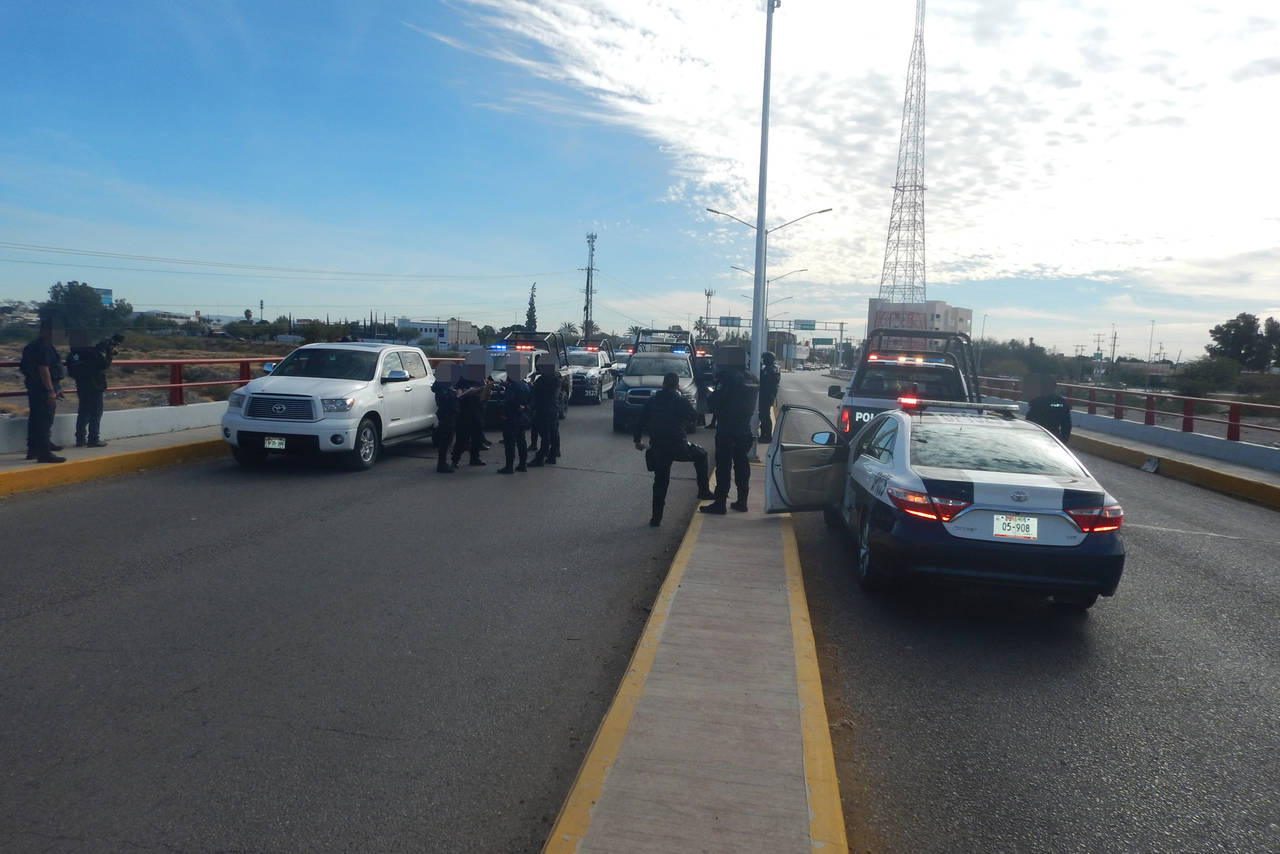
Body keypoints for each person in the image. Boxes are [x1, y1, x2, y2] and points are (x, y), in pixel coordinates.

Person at [634, 372, 713, 526]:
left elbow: (640, 422)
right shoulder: (680, 400)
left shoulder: (652, 401)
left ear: (663, 384)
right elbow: (694, 416)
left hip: (658, 447)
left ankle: (656, 519)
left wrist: (637, 440)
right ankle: (703, 490)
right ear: (677, 386)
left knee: (660, 482)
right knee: (701, 455)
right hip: (678, 446)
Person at [700, 347, 759, 514]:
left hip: (727, 427)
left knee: (723, 466)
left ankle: (720, 503)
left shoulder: (728, 378)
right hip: (744, 427)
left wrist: (710, 394)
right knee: (742, 464)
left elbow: (715, 402)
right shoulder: (752, 378)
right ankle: (742, 501)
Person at [19, 318, 67, 463]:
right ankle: (44, 453)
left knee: (36, 419)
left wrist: (56, 388)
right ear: (47, 331)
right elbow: (43, 369)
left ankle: (33, 449)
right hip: (42, 389)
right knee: (44, 420)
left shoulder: (34, 345)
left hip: (37, 387)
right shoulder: (43, 347)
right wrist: (50, 390)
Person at [68, 332, 122, 448]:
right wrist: (109, 353)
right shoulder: (91, 353)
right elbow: (104, 364)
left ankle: (80, 439)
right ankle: (93, 439)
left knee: (83, 412)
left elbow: (71, 372)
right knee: (96, 413)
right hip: (94, 386)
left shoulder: (72, 355)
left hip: (81, 386)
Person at [451, 365, 492, 467]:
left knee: (477, 437)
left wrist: (487, 393)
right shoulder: (463, 378)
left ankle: (475, 458)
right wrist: (470, 392)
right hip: (465, 411)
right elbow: (458, 394)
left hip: (478, 411)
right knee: (462, 438)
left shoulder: (482, 378)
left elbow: (485, 394)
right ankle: (455, 460)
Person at [496, 362, 532, 474]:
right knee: (521, 441)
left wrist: (504, 413)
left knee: (510, 443)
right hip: (522, 417)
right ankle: (522, 464)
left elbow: (510, 402)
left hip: (511, 418)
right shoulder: (524, 384)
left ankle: (509, 466)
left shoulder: (512, 387)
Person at [527, 361, 561, 467]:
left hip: (543, 409)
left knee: (545, 435)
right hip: (553, 408)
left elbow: (537, 393)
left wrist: (531, 386)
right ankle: (552, 455)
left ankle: (540, 458)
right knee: (553, 433)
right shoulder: (556, 378)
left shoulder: (543, 380)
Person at [1025, 375, 1072, 443]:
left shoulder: (1037, 401)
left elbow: (1029, 421)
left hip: (1038, 436)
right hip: (1052, 437)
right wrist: (1063, 441)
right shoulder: (1061, 402)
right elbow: (1067, 425)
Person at [431, 363, 460, 472]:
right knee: (446, 439)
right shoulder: (442, 386)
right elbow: (445, 400)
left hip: (448, 413)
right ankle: (442, 464)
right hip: (447, 413)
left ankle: (443, 463)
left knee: (448, 438)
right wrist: (456, 395)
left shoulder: (444, 385)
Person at [758, 350, 781, 442]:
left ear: (768, 359)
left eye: (764, 359)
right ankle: (765, 434)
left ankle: (767, 436)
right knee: (764, 415)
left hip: (766, 396)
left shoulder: (770, 370)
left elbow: (764, 382)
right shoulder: (772, 369)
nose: (763, 360)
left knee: (765, 416)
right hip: (768, 395)